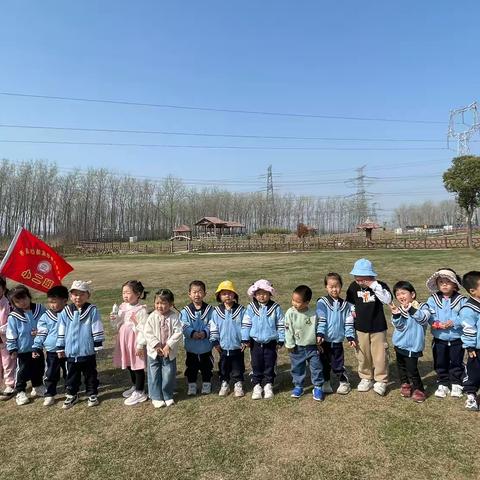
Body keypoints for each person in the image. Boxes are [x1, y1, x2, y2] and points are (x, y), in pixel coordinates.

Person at [346, 258, 392, 396]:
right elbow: (349, 302)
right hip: (360, 327)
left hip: (378, 326)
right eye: (357, 278)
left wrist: (373, 285)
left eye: (363, 279)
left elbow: (387, 300)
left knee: (380, 354)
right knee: (362, 353)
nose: (359, 282)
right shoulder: (353, 287)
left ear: (370, 276)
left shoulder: (379, 286)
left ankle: (381, 379)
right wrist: (352, 309)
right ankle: (366, 377)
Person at [56, 280, 105, 409]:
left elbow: (96, 326)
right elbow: (61, 329)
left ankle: (92, 394)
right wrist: (60, 347)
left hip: (87, 350)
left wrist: (97, 344)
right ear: (70, 296)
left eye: (82, 294)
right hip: (71, 352)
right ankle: (72, 394)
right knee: (72, 375)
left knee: (90, 374)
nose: (78, 297)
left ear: (88, 295)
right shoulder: (65, 311)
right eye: (75, 294)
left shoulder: (92, 310)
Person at [426, 268, 467, 398]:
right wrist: (436, 323)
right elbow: (429, 314)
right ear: (437, 284)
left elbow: (465, 316)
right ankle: (442, 383)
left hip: (457, 338)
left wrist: (453, 322)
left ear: (455, 284)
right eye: (441, 282)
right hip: (439, 338)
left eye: (448, 282)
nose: (444, 284)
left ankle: (456, 383)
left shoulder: (461, 300)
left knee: (456, 361)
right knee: (440, 361)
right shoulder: (433, 299)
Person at [241, 279, 284, 400]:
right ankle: (257, 385)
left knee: (270, 363)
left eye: (265, 293)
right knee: (256, 364)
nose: (262, 296)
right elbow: (246, 324)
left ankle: (269, 384)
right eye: (259, 293)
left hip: (271, 342)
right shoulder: (250, 307)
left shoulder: (275, 308)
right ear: (254, 294)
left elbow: (281, 324)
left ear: (270, 294)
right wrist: (245, 338)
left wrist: (281, 339)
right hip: (255, 342)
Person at [389, 281, 430, 403]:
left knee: (412, 369)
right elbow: (399, 327)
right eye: (398, 294)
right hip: (399, 344)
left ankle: (419, 389)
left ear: (412, 294)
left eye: (403, 293)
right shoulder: (399, 309)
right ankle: (405, 384)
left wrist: (411, 309)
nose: (401, 296)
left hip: (413, 346)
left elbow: (424, 319)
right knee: (401, 366)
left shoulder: (423, 307)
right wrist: (396, 315)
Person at [6, 284, 46, 405]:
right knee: (22, 370)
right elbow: (11, 333)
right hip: (23, 349)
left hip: (37, 347)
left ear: (29, 296)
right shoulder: (13, 316)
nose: (22, 302)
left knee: (39, 368)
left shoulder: (40, 309)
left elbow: (46, 323)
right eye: (17, 301)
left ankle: (37, 386)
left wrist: (41, 331)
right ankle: (20, 391)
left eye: (24, 298)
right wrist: (12, 348)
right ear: (13, 304)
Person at [316, 273, 356, 395]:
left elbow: (348, 322)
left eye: (337, 286)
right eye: (331, 286)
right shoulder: (321, 302)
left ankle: (344, 383)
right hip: (323, 341)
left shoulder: (345, 305)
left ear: (341, 286)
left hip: (337, 340)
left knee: (338, 363)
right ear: (326, 287)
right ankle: (326, 382)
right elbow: (321, 318)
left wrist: (350, 336)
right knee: (323, 363)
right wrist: (320, 334)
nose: (334, 289)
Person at [112, 280, 149, 406]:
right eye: (123, 293)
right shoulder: (122, 307)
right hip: (124, 340)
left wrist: (140, 345)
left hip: (135, 340)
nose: (125, 295)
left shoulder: (141, 310)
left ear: (138, 294)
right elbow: (117, 324)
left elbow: (144, 329)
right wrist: (115, 318)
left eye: (128, 292)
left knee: (137, 365)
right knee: (128, 363)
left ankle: (140, 391)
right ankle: (135, 386)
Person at [143, 289, 182, 408]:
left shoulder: (174, 317)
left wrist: (168, 345)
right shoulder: (152, 316)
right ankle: (156, 396)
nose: (160, 306)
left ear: (171, 304)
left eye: (163, 303)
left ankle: (167, 395)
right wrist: (156, 345)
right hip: (154, 352)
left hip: (168, 352)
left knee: (168, 373)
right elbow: (147, 332)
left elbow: (178, 332)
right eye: (157, 303)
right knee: (154, 374)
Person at [285, 285, 325, 401]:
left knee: (316, 367)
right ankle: (298, 386)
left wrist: (319, 341)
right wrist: (290, 344)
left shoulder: (313, 314)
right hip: (297, 347)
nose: (294, 303)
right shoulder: (290, 313)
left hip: (312, 347)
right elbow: (288, 329)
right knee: (297, 368)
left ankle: (317, 387)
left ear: (307, 302)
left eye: (298, 302)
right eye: (293, 300)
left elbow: (318, 328)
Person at [32, 285, 69, 406]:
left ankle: (71, 391)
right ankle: (50, 394)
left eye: (55, 302)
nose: (52, 305)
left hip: (68, 349)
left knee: (69, 370)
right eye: (50, 302)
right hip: (52, 351)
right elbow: (41, 333)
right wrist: (37, 346)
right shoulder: (45, 316)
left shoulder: (71, 313)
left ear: (65, 301)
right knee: (51, 373)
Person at [208, 280, 246, 397]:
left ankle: (238, 384)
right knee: (224, 366)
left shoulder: (241, 310)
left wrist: (245, 340)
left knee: (238, 365)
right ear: (219, 296)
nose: (227, 296)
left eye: (230, 293)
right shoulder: (216, 311)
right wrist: (215, 341)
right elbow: (213, 326)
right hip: (223, 346)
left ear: (234, 295)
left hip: (237, 345)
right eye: (224, 293)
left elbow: (245, 325)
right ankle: (224, 383)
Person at [179, 280, 213, 396]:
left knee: (207, 367)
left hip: (205, 346)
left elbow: (212, 324)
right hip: (191, 347)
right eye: (194, 292)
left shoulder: (210, 310)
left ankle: (207, 383)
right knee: (191, 367)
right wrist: (192, 333)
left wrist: (205, 332)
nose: (197, 295)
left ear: (204, 294)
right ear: (189, 294)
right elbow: (183, 325)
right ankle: (192, 385)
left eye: (200, 292)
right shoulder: (185, 311)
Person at [459, 271, 480, 410]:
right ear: (472, 291)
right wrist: (470, 346)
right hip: (477, 350)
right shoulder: (468, 309)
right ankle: (471, 397)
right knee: (474, 373)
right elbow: (468, 329)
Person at [0, 277, 15, 399]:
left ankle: (10, 385)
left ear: (3, 289)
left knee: (7, 362)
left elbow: (11, 320)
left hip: (5, 339)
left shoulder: (8, 303)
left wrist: (1, 330)